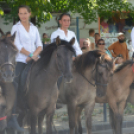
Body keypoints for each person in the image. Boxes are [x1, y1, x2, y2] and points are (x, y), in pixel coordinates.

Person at [10, 5, 42, 132]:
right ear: (18, 15)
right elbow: (16, 45)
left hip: (34, 59)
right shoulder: (15, 27)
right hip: (21, 60)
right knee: (16, 82)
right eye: (20, 13)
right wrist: (29, 55)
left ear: (29, 14)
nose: (23, 15)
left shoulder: (34, 28)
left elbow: (39, 44)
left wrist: (34, 56)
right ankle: (14, 111)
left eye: (25, 13)